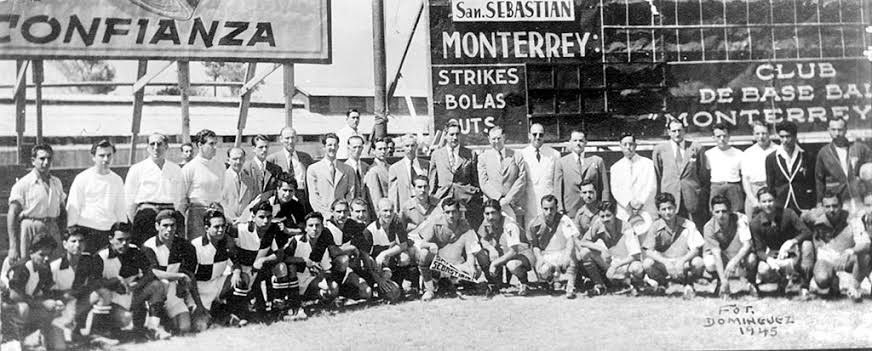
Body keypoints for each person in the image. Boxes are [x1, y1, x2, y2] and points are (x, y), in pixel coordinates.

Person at [94, 222, 172, 340]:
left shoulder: (134, 250)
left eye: (127, 239)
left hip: (131, 296)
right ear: (110, 239)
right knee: (125, 319)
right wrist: (113, 283)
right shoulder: (101, 256)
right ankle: (103, 331)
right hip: (112, 300)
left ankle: (152, 328)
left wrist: (135, 285)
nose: (124, 243)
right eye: (120, 240)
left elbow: (150, 272)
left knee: (159, 285)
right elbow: (94, 283)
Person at [142, 210, 205, 334]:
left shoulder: (185, 246)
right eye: (165, 225)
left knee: (184, 327)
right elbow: (154, 273)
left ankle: (165, 320)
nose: (169, 229)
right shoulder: (148, 246)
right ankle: (154, 321)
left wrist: (199, 305)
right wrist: (180, 276)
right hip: (153, 293)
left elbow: (189, 275)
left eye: (172, 225)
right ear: (157, 226)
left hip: (172, 292)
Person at [801, 193, 870, 301]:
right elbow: (801, 220)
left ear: (841, 205)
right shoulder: (815, 218)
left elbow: (865, 243)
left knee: (865, 255)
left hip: (845, 258)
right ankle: (834, 281)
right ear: (822, 207)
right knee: (822, 279)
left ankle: (854, 288)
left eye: (835, 205)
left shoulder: (852, 219)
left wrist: (850, 251)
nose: (831, 210)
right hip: (825, 259)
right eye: (827, 206)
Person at [2, 236, 66, 350]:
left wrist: (55, 302)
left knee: (55, 309)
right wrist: (42, 304)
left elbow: (46, 292)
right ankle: (11, 338)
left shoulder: (45, 267)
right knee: (23, 308)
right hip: (5, 304)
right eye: (41, 254)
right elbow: (14, 296)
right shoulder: (22, 267)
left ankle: (43, 340)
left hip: (23, 302)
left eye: (49, 255)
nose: (46, 258)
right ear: (31, 253)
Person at [416, 198, 487, 301]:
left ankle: (457, 283)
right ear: (443, 213)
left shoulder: (464, 225)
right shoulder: (436, 223)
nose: (451, 215)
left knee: (475, 270)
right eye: (447, 212)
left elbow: (470, 248)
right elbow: (422, 244)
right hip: (438, 264)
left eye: (454, 212)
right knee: (424, 253)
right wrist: (431, 244)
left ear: (458, 212)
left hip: (457, 264)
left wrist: (471, 265)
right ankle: (429, 289)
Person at [49, 228, 110, 345]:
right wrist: (65, 295)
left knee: (103, 293)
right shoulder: (55, 267)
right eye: (73, 241)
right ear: (65, 244)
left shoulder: (88, 261)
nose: (78, 245)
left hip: (77, 302)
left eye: (81, 241)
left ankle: (94, 331)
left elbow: (94, 282)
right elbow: (48, 293)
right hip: (60, 306)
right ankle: (64, 334)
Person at [8, 144, 67, 263]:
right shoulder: (23, 184)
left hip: (52, 227)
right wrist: (13, 247)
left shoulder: (56, 183)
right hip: (31, 228)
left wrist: (63, 236)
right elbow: (12, 214)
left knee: (54, 266)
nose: (46, 162)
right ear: (33, 161)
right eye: (42, 159)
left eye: (49, 159)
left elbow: (62, 211)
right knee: (29, 266)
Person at [749, 187, 813, 296]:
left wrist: (792, 241)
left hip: (793, 255)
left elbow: (807, 232)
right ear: (759, 203)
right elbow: (758, 250)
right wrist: (768, 259)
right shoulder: (755, 223)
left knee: (807, 245)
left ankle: (804, 285)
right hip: (775, 257)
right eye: (764, 201)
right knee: (763, 269)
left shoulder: (788, 213)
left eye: (770, 200)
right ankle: (780, 281)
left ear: (776, 200)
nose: (768, 204)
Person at [67, 140, 127, 254]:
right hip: (86, 232)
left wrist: (122, 231)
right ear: (93, 157)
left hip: (108, 233)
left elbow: (120, 209)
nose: (105, 159)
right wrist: (73, 232)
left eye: (109, 155)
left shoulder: (117, 180)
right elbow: (73, 207)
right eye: (101, 155)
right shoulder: (82, 178)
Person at [641, 193, 705, 299]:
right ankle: (662, 284)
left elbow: (696, 249)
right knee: (647, 263)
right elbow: (648, 251)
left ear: (675, 208)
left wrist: (682, 261)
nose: (668, 212)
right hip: (664, 265)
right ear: (658, 211)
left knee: (698, 262)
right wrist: (665, 262)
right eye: (664, 209)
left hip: (683, 263)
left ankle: (688, 284)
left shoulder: (688, 224)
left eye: (670, 208)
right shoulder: (655, 226)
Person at [125, 133, 184, 247]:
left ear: (166, 147)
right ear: (147, 147)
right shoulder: (137, 169)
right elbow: (129, 199)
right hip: (146, 216)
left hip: (168, 214)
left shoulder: (175, 169)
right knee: (145, 249)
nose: (156, 147)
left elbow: (179, 197)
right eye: (152, 144)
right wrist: (135, 220)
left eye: (159, 144)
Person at [576, 201, 644, 296]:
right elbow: (583, 242)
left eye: (608, 215)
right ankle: (600, 285)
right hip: (611, 261)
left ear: (615, 214)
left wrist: (615, 266)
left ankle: (634, 285)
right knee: (585, 252)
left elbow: (636, 255)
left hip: (627, 263)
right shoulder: (598, 224)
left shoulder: (626, 227)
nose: (605, 219)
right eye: (602, 216)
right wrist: (601, 249)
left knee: (637, 268)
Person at [653, 119, 709, 230]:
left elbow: (703, 174)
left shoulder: (696, 147)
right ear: (668, 132)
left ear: (684, 131)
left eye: (680, 130)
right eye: (674, 131)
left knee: (695, 228)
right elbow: (658, 174)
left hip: (691, 196)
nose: (677, 134)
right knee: (672, 228)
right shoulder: (660, 150)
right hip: (670, 195)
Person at [429, 121, 483, 227]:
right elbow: (432, 180)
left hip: (465, 201)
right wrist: (432, 198)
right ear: (445, 136)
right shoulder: (436, 155)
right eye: (451, 134)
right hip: (442, 199)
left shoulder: (470, 154)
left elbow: (475, 180)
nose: (454, 137)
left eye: (457, 134)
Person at [701, 195, 756, 298]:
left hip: (738, 254)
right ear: (712, 212)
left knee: (752, 259)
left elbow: (747, 245)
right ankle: (719, 282)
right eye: (717, 212)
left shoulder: (740, 219)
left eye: (724, 211)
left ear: (730, 211)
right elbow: (716, 254)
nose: (721, 215)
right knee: (709, 263)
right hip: (722, 256)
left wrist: (734, 261)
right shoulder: (708, 227)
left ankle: (751, 283)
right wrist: (724, 280)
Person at [478, 199, 535, 296]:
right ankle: (493, 283)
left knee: (512, 265)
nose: (490, 217)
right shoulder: (487, 222)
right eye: (487, 213)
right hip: (504, 252)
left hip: (522, 254)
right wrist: (491, 249)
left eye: (493, 213)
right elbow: (483, 240)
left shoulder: (509, 225)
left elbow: (513, 251)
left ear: (500, 212)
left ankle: (524, 282)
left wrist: (494, 263)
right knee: (481, 254)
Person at [527, 195, 580, 298]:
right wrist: (540, 258)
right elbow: (535, 246)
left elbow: (570, 240)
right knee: (543, 269)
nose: (549, 212)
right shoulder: (534, 224)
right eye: (545, 209)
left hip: (562, 252)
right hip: (546, 254)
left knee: (572, 257)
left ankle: (570, 286)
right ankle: (550, 281)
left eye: (552, 209)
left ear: (557, 208)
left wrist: (567, 256)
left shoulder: (564, 219)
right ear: (541, 208)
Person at [362, 199, 417, 297]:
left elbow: (404, 245)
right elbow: (366, 259)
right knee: (393, 294)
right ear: (378, 211)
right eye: (385, 211)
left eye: (391, 210)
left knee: (405, 256)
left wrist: (385, 253)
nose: (388, 214)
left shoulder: (396, 223)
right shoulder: (370, 230)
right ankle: (382, 288)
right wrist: (378, 279)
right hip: (378, 268)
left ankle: (403, 283)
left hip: (392, 261)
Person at [815, 117, 872, 211]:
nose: (837, 133)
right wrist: (819, 202)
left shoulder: (859, 148)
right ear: (828, 130)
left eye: (840, 130)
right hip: (838, 200)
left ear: (846, 130)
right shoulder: (824, 153)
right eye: (833, 130)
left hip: (860, 197)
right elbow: (819, 180)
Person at [190, 210, 237, 323]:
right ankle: (217, 311)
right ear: (206, 228)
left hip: (216, 286)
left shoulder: (226, 242)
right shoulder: (195, 246)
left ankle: (235, 311)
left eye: (223, 226)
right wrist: (199, 305)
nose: (221, 230)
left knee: (243, 277)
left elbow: (236, 263)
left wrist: (237, 272)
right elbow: (190, 279)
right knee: (200, 326)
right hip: (198, 291)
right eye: (216, 227)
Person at [555, 130, 610, 218]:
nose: (578, 143)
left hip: (594, 210)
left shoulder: (597, 160)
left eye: (581, 140)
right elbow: (558, 188)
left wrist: (604, 203)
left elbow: (604, 186)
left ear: (586, 142)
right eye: (575, 140)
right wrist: (560, 209)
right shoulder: (562, 163)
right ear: (570, 142)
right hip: (571, 210)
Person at [181, 129, 225, 240]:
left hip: (217, 214)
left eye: (216, 144)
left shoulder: (220, 166)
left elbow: (223, 191)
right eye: (211, 144)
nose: (215, 147)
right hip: (197, 215)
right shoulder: (189, 168)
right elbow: (181, 197)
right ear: (200, 145)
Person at [477, 126, 527, 221]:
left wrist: (508, 199)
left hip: (513, 205)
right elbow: (483, 183)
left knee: (515, 232)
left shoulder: (516, 155)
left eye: (499, 138)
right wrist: (499, 199)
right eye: (493, 139)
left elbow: (522, 179)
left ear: (504, 137)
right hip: (492, 207)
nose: (496, 141)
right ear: (489, 139)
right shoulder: (483, 157)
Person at [765, 122, 815, 213]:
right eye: (781, 137)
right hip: (781, 205)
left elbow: (811, 182)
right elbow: (770, 186)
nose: (784, 140)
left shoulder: (806, 155)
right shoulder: (771, 158)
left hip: (802, 205)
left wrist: (812, 205)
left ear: (795, 136)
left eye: (788, 136)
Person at [306, 133, 358, 216]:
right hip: (323, 217)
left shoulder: (348, 169)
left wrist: (343, 212)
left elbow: (350, 194)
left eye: (335, 145)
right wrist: (326, 214)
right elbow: (314, 197)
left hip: (342, 215)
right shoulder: (313, 169)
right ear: (324, 147)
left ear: (338, 147)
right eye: (329, 145)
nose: (333, 148)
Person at [520, 123, 560, 227]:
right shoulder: (521, 154)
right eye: (534, 134)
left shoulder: (554, 154)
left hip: (549, 205)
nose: (538, 137)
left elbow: (557, 181)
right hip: (530, 203)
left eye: (541, 135)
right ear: (529, 135)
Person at [266, 127, 315, 213]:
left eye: (293, 138)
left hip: (303, 196)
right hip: (284, 198)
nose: (290, 141)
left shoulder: (306, 158)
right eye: (287, 138)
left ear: (297, 139)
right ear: (281, 139)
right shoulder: (273, 159)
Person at [610, 132, 657, 220]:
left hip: (646, 209)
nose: (628, 147)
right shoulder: (615, 167)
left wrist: (640, 202)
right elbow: (615, 190)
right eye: (625, 144)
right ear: (620, 146)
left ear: (635, 145)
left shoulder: (648, 164)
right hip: (625, 211)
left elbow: (652, 186)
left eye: (631, 144)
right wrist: (628, 203)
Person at [705, 123, 745, 214]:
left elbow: (743, 173)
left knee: (736, 215)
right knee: (716, 215)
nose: (722, 139)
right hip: (716, 187)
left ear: (729, 136)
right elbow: (706, 172)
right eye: (718, 136)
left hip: (733, 186)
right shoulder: (708, 154)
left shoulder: (739, 153)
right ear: (713, 137)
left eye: (724, 136)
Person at [740, 121, 777, 216]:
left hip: (772, 190)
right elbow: (745, 179)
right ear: (753, 135)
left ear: (770, 133)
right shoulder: (748, 153)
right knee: (751, 223)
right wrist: (752, 199)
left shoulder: (778, 150)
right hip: (753, 190)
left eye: (764, 133)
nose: (761, 137)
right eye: (757, 133)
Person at [388, 134, 429, 208]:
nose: (410, 149)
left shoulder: (426, 165)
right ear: (403, 147)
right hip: (406, 208)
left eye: (412, 146)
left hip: (424, 207)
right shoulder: (395, 168)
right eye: (407, 146)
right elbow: (393, 195)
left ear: (416, 146)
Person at [221, 147, 258, 223]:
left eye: (241, 159)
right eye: (235, 159)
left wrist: (244, 218)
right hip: (227, 222)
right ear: (228, 160)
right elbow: (219, 203)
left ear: (244, 160)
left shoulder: (250, 181)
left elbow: (253, 202)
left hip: (245, 223)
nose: (238, 162)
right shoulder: (220, 179)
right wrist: (230, 219)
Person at [400, 175, 443, 239]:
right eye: (419, 187)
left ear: (429, 188)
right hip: (414, 241)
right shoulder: (407, 207)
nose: (422, 190)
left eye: (425, 187)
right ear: (413, 189)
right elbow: (400, 229)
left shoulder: (438, 204)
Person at [364, 138, 391, 215]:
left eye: (385, 149)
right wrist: (379, 215)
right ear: (373, 151)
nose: (383, 151)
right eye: (380, 149)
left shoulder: (391, 167)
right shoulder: (372, 170)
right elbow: (375, 197)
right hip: (383, 212)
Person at [345, 135, 370, 200]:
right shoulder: (343, 168)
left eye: (359, 147)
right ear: (348, 148)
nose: (357, 150)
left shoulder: (366, 167)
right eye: (354, 147)